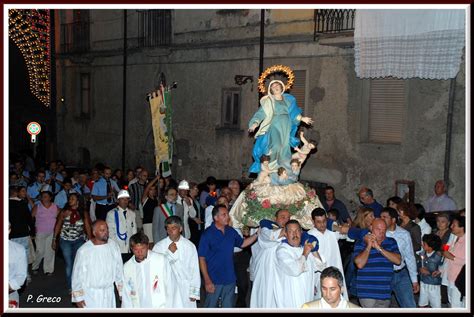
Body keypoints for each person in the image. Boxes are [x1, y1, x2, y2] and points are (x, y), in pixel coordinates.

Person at [198, 205, 258, 308]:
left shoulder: (230, 231)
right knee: (211, 307)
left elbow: (242, 243)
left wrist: (257, 234)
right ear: (216, 218)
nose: (227, 217)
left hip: (230, 278)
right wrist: (207, 280)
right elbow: (201, 258)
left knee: (228, 307)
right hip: (214, 279)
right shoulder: (207, 235)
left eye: (227, 214)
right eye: (224, 215)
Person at [248, 79, 313, 173]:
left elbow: (294, 112)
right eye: (273, 86)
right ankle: (271, 168)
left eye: (277, 85)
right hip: (275, 125)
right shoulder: (269, 101)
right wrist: (255, 123)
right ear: (271, 90)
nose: (275, 87)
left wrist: (302, 119)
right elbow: (260, 113)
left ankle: (283, 169)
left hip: (286, 126)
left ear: (282, 87)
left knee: (284, 147)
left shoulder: (289, 99)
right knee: (276, 146)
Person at [71, 220, 124, 308]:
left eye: (106, 229)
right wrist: (78, 297)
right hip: (91, 295)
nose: (106, 232)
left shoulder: (113, 246)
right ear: (94, 232)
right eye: (102, 230)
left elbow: (119, 271)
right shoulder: (84, 250)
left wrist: (121, 291)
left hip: (108, 294)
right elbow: (77, 275)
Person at [273, 219, 325, 308]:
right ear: (285, 234)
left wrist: (313, 249)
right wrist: (305, 253)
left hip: (307, 295)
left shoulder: (303, 248)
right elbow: (295, 270)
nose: (295, 234)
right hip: (290, 298)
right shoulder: (282, 250)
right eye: (291, 231)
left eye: (297, 231)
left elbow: (321, 267)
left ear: (301, 232)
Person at [152, 216, 200, 308]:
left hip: (185, 287)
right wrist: (169, 253)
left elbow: (194, 269)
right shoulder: (159, 246)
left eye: (173, 228)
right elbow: (155, 269)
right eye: (168, 228)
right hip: (167, 288)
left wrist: (194, 292)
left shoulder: (189, 246)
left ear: (180, 229)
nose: (170, 231)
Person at [354, 218, 401, 308]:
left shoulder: (391, 242)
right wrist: (368, 246)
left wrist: (378, 248)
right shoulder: (361, 242)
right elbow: (359, 264)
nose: (381, 233)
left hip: (385, 292)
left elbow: (398, 261)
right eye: (378, 229)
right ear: (371, 227)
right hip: (367, 292)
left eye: (384, 230)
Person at [122, 231, 176, 308]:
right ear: (131, 249)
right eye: (136, 249)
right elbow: (126, 294)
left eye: (142, 248)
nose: (140, 252)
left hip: (160, 307)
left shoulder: (160, 260)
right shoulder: (127, 267)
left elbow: (170, 285)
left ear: (148, 246)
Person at [249, 209, 291, 308]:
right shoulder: (266, 228)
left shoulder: (293, 232)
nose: (286, 220)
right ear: (275, 219)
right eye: (282, 217)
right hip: (267, 270)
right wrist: (290, 228)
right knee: (266, 297)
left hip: (283, 270)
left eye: (288, 218)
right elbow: (272, 236)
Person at [52, 193, 92, 292]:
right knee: (69, 264)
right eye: (69, 199)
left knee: (78, 263)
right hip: (65, 241)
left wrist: (91, 240)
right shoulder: (64, 212)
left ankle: (79, 284)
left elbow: (87, 226)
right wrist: (54, 239)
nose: (70, 200)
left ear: (78, 201)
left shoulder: (83, 212)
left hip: (79, 240)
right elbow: (58, 225)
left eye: (73, 199)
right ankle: (71, 286)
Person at [380, 207, 419, 308]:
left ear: (393, 220)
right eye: (380, 217)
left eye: (385, 217)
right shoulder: (379, 234)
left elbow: (410, 257)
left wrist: (414, 280)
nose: (381, 219)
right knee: (381, 306)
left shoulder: (404, 234)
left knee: (410, 305)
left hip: (401, 273)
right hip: (384, 274)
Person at [307, 208, 347, 301]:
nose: (322, 224)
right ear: (313, 221)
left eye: (324, 221)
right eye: (318, 222)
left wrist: (338, 226)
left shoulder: (333, 233)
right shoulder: (309, 236)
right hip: (318, 277)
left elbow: (346, 232)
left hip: (336, 273)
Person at [31, 190, 59, 276]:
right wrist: (33, 229)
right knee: (40, 251)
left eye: (46, 196)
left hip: (51, 232)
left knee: (50, 251)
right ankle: (35, 266)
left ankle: (48, 270)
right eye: (43, 196)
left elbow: (60, 219)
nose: (44, 198)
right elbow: (31, 218)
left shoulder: (55, 207)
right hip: (40, 231)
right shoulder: (37, 206)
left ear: (50, 198)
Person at [106, 189, 137, 262]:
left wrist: (133, 245)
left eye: (126, 199)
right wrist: (115, 247)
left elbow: (134, 230)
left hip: (129, 248)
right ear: (118, 200)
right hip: (117, 247)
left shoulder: (132, 213)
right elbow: (110, 232)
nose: (125, 201)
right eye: (122, 199)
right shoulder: (111, 214)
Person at [442, 215, 465, 307]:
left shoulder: (466, 241)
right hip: (451, 276)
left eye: (454, 225)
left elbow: (465, 262)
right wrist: (441, 270)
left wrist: (451, 257)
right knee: (451, 303)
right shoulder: (455, 238)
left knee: (457, 305)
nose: (451, 227)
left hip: (459, 278)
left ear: (462, 227)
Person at [418, 233, 443, 308]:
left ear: (431, 247)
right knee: (422, 303)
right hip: (423, 283)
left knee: (435, 305)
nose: (422, 245)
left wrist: (429, 272)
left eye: (424, 244)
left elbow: (441, 270)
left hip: (433, 285)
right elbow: (418, 265)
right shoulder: (422, 254)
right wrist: (419, 269)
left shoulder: (437, 257)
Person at [8, 223, 28, 308]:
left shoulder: (18, 249)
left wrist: (8, 286)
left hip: (9, 295)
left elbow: (21, 276)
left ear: (9, 230)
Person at [140, 174, 160, 246]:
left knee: (156, 242)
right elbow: (147, 187)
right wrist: (156, 178)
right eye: (151, 189)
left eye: (154, 189)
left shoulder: (156, 200)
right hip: (148, 223)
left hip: (155, 223)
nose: (153, 191)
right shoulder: (145, 199)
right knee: (150, 243)